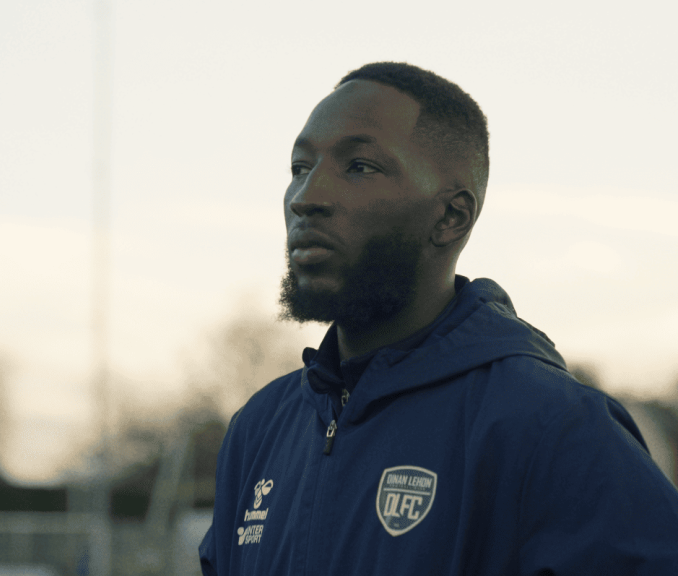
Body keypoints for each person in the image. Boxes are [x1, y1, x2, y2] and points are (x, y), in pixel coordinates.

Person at [198, 62, 678, 575]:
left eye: (359, 166)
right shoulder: (260, 428)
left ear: (451, 216)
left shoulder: (554, 427)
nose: (306, 197)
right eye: (299, 168)